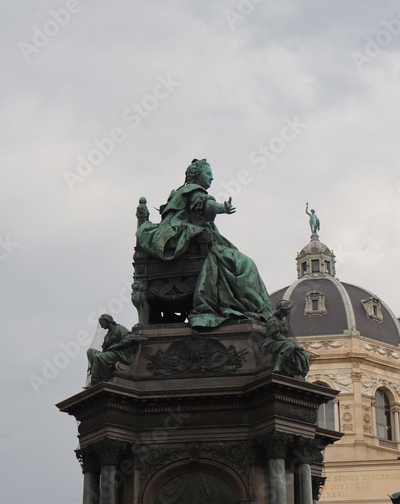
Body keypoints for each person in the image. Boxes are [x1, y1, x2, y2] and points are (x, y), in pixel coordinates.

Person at [136, 158, 275, 328]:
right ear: (196, 175)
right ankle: (250, 306)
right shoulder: (193, 192)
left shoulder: (179, 193)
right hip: (195, 247)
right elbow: (205, 206)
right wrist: (222, 208)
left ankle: (250, 306)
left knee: (239, 260)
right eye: (208, 174)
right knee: (246, 265)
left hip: (193, 244)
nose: (211, 178)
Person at [86, 314, 143, 384]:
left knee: (98, 357)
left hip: (120, 353)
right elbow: (104, 349)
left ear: (107, 321)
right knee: (90, 352)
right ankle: (99, 372)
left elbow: (128, 340)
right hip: (110, 353)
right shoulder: (107, 335)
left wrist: (115, 346)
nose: (101, 326)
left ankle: (94, 381)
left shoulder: (119, 329)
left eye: (102, 323)